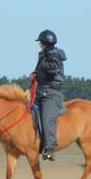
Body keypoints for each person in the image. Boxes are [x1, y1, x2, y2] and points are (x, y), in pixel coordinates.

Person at [31, 29, 66, 160]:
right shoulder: (43, 55)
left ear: (46, 43)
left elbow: (54, 68)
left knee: (47, 119)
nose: (40, 45)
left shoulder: (55, 55)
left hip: (51, 93)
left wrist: (42, 67)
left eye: (41, 43)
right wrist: (35, 73)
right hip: (40, 91)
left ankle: (50, 148)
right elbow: (40, 70)